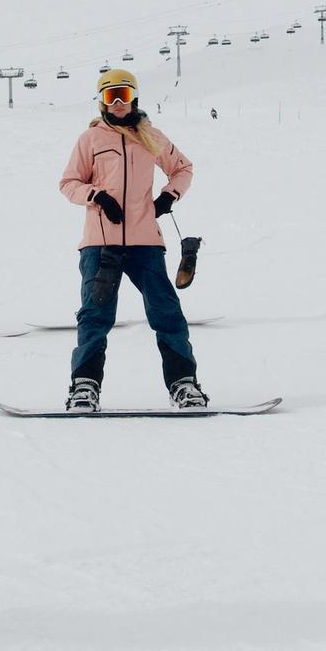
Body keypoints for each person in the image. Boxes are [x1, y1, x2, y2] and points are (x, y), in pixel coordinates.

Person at [58, 69, 205, 411]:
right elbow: (68, 183)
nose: (119, 103)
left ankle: (184, 384)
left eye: (124, 94)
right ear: (101, 102)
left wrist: (169, 195)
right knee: (95, 315)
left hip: (145, 243)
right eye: (112, 97)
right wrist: (96, 195)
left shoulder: (151, 136)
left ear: (135, 97)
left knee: (166, 312)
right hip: (100, 243)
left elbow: (183, 168)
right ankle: (84, 386)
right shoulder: (89, 140)